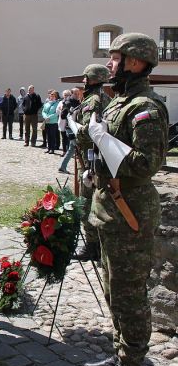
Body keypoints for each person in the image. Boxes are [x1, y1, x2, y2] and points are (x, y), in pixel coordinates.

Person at [71, 34, 168, 366]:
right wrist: (89, 141)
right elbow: (100, 144)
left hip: (130, 212)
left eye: (115, 58)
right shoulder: (120, 102)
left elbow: (146, 164)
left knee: (129, 294)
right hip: (109, 209)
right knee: (113, 290)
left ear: (136, 62)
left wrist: (103, 139)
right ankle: (120, 353)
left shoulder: (146, 107)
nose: (109, 65)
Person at [71, 64, 113, 261]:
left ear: (93, 79)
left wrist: (73, 126)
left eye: (86, 77)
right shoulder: (106, 98)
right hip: (97, 158)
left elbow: (90, 131)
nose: (83, 80)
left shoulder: (93, 100)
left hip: (90, 160)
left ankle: (92, 246)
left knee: (87, 202)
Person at [58, 89, 81, 173]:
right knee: (75, 148)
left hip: (77, 127)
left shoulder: (78, 102)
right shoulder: (68, 103)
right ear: (71, 94)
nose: (77, 95)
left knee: (72, 149)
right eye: (75, 94)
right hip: (70, 128)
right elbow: (62, 116)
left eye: (78, 94)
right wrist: (70, 112)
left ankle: (62, 166)